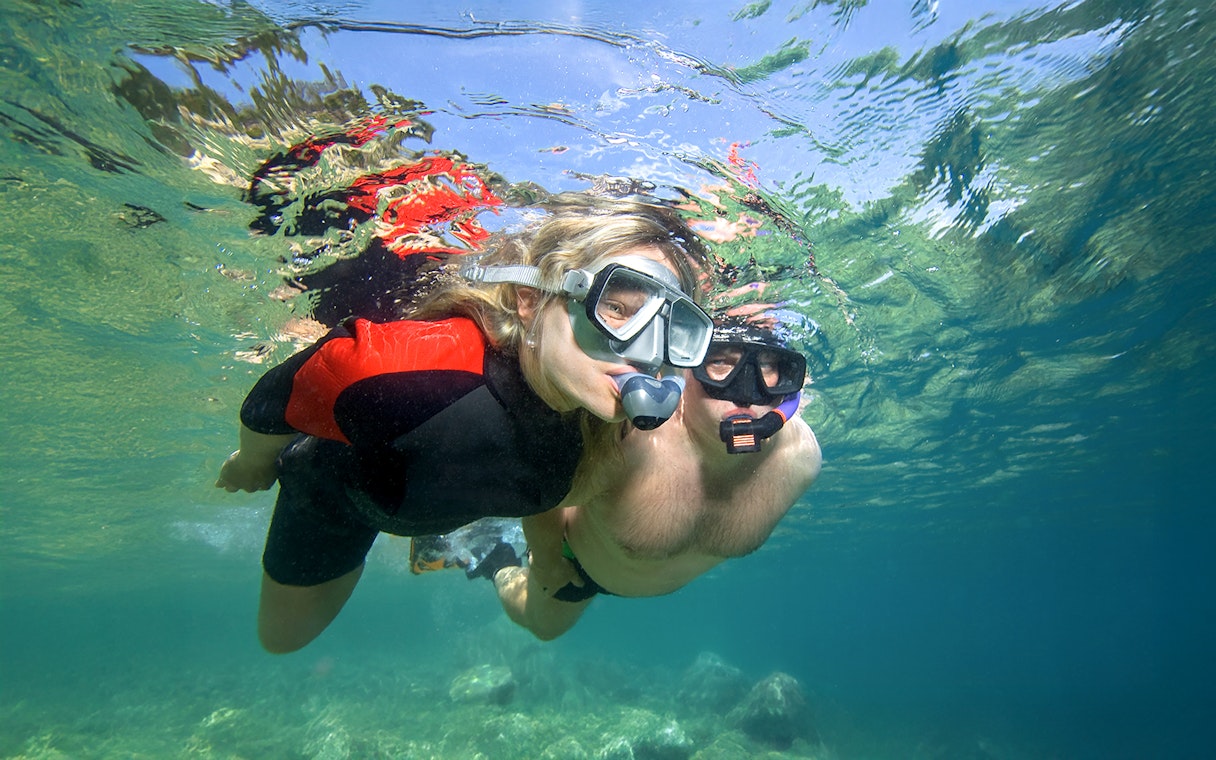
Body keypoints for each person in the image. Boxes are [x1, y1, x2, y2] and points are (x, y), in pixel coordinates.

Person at [215, 195, 715, 653]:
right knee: (282, 639)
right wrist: (253, 462)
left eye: (667, 328)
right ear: (530, 298)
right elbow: (276, 397)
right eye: (617, 308)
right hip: (338, 498)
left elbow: (547, 493)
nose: (645, 351)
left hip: (441, 499)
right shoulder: (402, 371)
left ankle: (461, 548)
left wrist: (546, 564)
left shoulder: (613, 422)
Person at [489, 318, 822, 640]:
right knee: (543, 628)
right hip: (576, 567)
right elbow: (541, 495)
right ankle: (498, 564)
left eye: (766, 366)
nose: (746, 392)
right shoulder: (627, 440)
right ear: (683, 369)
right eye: (720, 361)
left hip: (636, 576)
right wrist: (547, 564)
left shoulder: (800, 460)